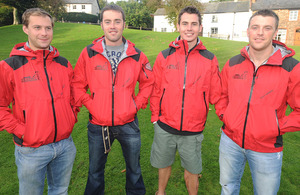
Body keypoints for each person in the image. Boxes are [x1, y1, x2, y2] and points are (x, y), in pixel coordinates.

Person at [71, 4, 154, 195]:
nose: (113, 26)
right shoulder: (89, 53)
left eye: (117, 21)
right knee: (94, 172)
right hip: (98, 124)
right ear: (101, 25)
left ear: (124, 24)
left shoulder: (136, 54)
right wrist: (92, 105)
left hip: (128, 123)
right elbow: (77, 84)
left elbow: (148, 83)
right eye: (108, 21)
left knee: (134, 171)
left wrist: (135, 104)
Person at [216, 9, 300, 195]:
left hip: (267, 147)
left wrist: (275, 126)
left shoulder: (291, 68)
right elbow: (221, 95)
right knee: (228, 188)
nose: (260, 32)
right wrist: (226, 116)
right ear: (248, 31)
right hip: (230, 141)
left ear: (275, 32)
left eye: (267, 28)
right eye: (255, 27)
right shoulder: (233, 63)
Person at [0, 8, 78, 195]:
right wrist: (23, 131)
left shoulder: (64, 63)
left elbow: (73, 98)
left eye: (48, 28)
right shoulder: (10, 66)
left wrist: (71, 118)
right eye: (37, 27)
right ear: (25, 28)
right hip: (31, 150)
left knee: (60, 191)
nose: (44, 33)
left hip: (65, 145)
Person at [150, 6, 221, 195]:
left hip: (193, 128)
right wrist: (155, 118)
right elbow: (156, 89)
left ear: (200, 27)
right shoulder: (165, 56)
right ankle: (161, 192)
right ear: (178, 26)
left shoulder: (210, 59)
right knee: (164, 164)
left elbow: (217, 94)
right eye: (185, 23)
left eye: (194, 24)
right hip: (165, 125)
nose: (189, 28)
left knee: (192, 169)